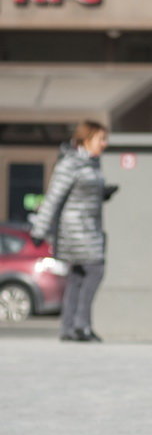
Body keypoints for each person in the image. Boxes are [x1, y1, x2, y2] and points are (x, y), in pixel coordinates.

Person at [29, 119, 114, 343]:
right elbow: (54, 197)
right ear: (86, 140)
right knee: (95, 271)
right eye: (101, 139)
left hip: (90, 228)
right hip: (77, 231)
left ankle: (69, 327)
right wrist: (39, 230)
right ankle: (81, 325)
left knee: (77, 277)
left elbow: (82, 193)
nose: (104, 144)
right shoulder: (71, 164)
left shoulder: (91, 163)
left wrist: (103, 193)